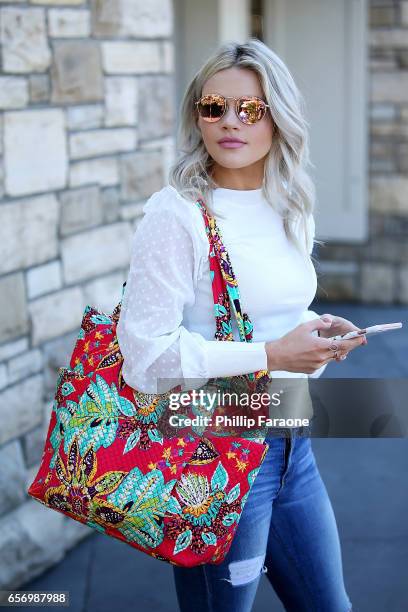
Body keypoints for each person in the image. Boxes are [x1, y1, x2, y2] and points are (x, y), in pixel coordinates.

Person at [116, 38, 366, 612]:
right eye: (214, 106)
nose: (231, 121)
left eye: (251, 109)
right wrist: (272, 355)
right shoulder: (176, 214)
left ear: (278, 118)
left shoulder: (289, 203)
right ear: (197, 115)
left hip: (289, 446)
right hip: (212, 451)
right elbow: (146, 357)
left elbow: (273, 313)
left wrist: (315, 331)